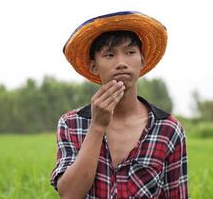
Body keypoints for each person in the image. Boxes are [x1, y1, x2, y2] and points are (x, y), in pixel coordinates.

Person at [50, 11, 188, 199]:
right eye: (109, 55)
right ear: (94, 66)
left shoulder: (168, 129)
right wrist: (97, 126)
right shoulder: (72, 124)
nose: (121, 63)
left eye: (130, 52)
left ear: (142, 60)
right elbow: (69, 194)